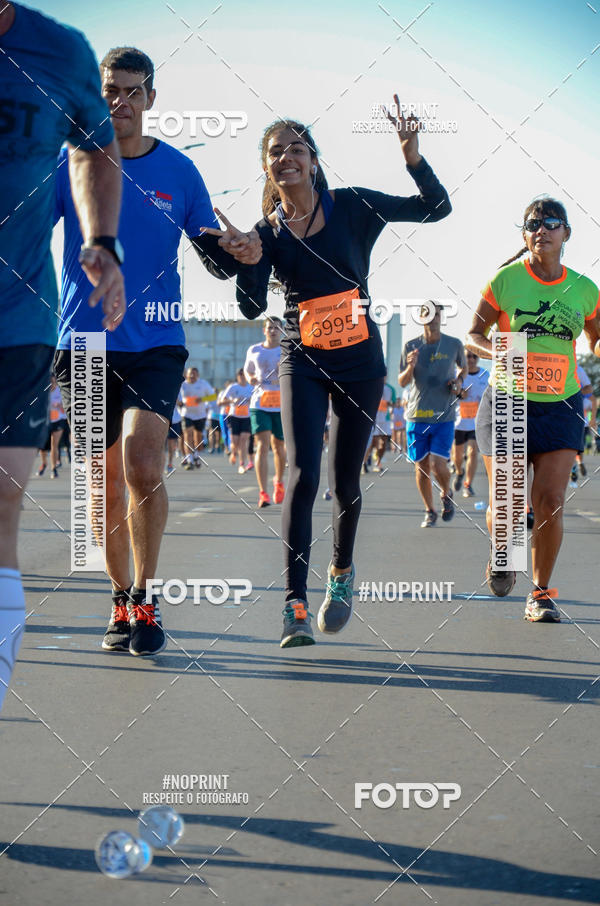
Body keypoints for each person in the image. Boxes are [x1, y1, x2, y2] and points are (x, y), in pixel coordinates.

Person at [53, 46, 259, 658]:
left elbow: (214, 257)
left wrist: (241, 251)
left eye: (132, 91)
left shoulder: (178, 172)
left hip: (158, 339)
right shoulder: (69, 166)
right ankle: (121, 597)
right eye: (109, 90)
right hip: (86, 340)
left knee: (143, 467)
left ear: (151, 98)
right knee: (102, 484)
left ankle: (146, 592)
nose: (119, 100)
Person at [225, 97, 451, 646]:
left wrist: (413, 158)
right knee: (301, 475)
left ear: (314, 162)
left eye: (297, 148)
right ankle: (294, 605)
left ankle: (341, 574)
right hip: (301, 355)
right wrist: (249, 262)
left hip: (358, 358)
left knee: (343, 480)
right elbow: (252, 308)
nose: (288, 157)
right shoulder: (267, 231)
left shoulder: (353, 207)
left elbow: (436, 208)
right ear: (267, 167)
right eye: (276, 152)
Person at [0, 2, 125, 710]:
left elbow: (93, 145)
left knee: (4, 498)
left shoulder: (59, 51)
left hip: (17, 316)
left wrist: (102, 241)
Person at [467, 196, 600, 622]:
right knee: (506, 503)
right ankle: (503, 552)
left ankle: (541, 594)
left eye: (551, 222)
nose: (541, 229)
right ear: (525, 235)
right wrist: (499, 353)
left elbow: (596, 338)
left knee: (551, 501)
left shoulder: (584, 289)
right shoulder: (506, 280)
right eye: (532, 223)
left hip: (560, 403)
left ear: (566, 234)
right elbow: (472, 333)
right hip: (507, 400)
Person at [399, 303, 467, 527]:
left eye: (437, 314)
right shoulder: (411, 346)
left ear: (441, 317)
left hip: (444, 415)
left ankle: (446, 494)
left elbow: (463, 370)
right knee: (422, 466)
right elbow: (402, 381)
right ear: (420, 317)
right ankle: (430, 511)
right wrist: (411, 366)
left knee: (438, 464)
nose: (433, 318)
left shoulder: (454, 344)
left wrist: (457, 383)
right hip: (417, 415)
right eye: (428, 314)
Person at [244, 319, 286, 507]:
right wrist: (251, 378)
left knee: (278, 446)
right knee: (261, 446)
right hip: (260, 403)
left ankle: (278, 481)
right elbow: (247, 371)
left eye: (277, 327)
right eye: (270, 327)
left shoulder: (288, 349)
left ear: (282, 330)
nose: (273, 330)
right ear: (264, 330)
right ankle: (263, 493)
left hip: (282, 404)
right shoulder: (254, 350)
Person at [452, 352, 489, 497]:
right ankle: (459, 472)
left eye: (475, 356)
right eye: (468, 356)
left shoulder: (485, 375)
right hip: (458, 421)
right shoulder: (456, 374)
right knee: (458, 455)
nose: (472, 359)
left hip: (477, 421)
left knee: (473, 451)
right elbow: (448, 391)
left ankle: (468, 484)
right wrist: (459, 393)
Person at [179, 366, 214, 470]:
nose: (192, 376)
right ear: (187, 375)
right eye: (190, 373)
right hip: (186, 414)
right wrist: (179, 403)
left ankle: (196, 456)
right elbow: (176, 397)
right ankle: (189, 460)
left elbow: (213, 396)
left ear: (198, 375)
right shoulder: (183, 385)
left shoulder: (203, 384)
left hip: (200, 415)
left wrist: (202, 399)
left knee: (198, 437)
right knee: (187, 436)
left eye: (194, 374)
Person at [221, 368, 253, 473]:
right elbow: (221, 401)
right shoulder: (232, 387)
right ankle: (234, 453)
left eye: (244, 374)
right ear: (237, 376)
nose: (242, 376)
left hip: (247, 417)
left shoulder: (251, 387)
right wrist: (233, 400)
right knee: (235, 441)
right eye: (240, 374)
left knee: (243, 440)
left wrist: (250, 401)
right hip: (234, 417)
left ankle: (242, 464)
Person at [370, 377, 396, 472]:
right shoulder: (372, 386)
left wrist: (388, 404)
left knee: (383, 443)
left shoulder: (391, 389)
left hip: (385, 419)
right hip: (374, 417)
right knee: (373, 442)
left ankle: (378, 462)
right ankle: (367, 460)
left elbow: (394, 403)